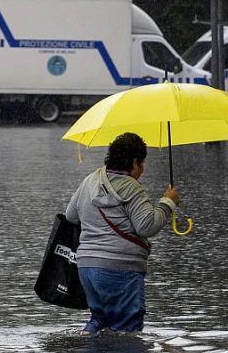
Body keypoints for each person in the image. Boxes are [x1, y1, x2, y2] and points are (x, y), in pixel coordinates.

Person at [64, 132, 181, 334]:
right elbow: (147, 226)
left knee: (99, 321)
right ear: (135, 162)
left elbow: (71, 216)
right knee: (128, 331)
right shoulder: (133, 188)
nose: (142, 169)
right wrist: (167, 203)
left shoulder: (90, 181)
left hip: (87, 268)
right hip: (120, 269)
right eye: (142, 163)